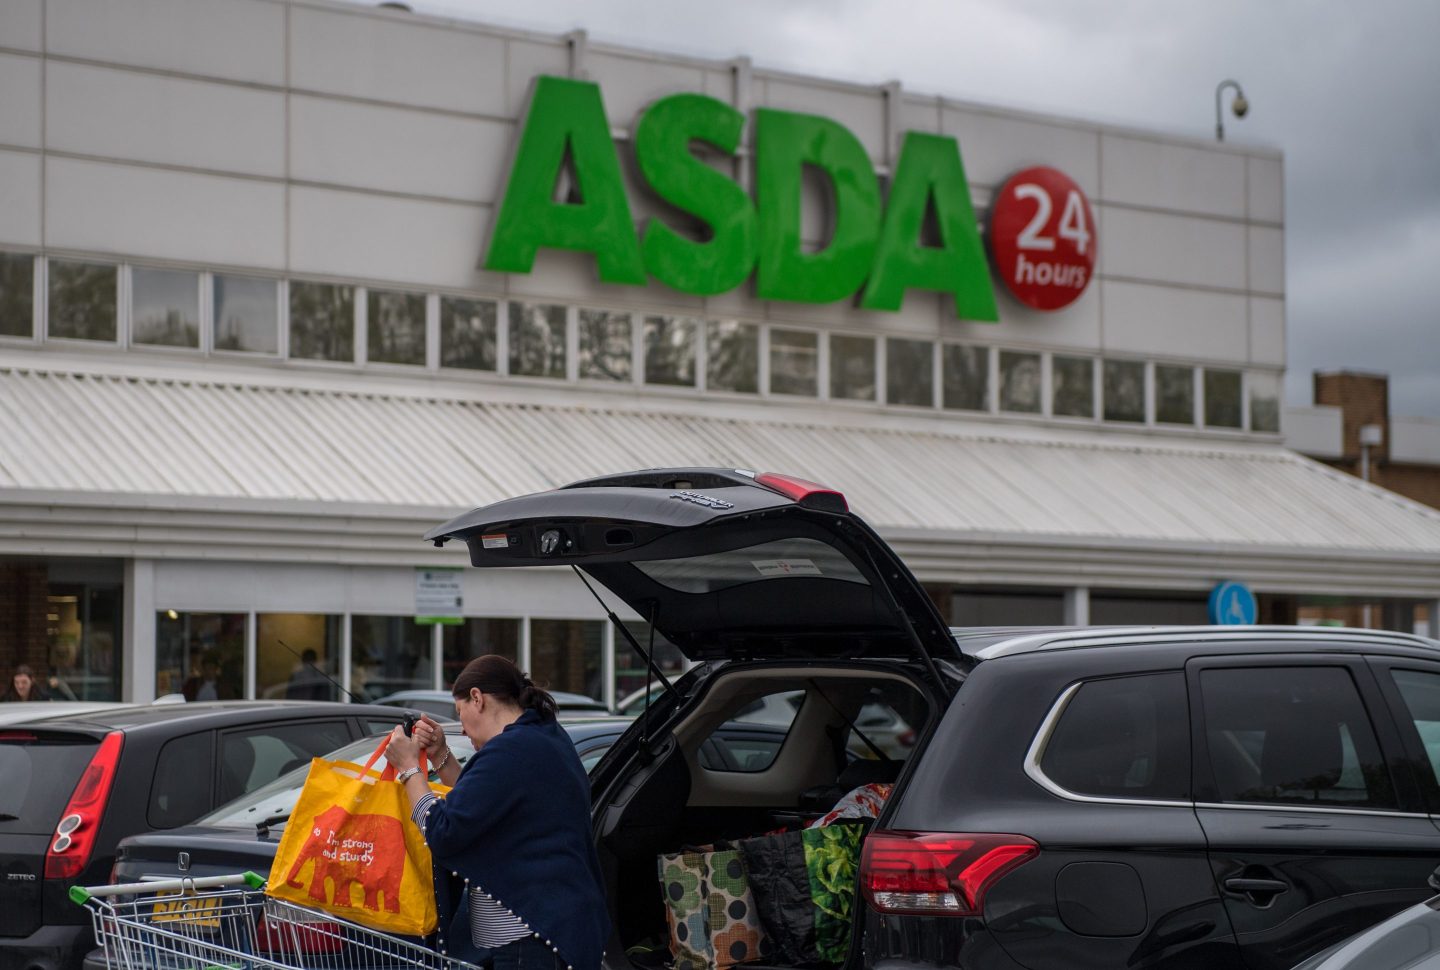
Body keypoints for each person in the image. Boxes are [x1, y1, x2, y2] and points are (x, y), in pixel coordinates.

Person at [385, 656, 608, 970]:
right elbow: (482, 802)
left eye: (460, 713)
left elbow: (444, 832)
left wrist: (409, 769)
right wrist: (441, 756)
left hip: (533, 936)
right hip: (557, 926)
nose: (462, 727)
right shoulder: (543, 737)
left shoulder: (511, 750)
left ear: (477, 698)